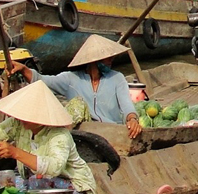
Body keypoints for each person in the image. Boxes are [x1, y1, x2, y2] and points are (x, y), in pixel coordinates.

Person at [10, 35, 142, 138]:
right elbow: (42, 80)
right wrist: (23, 70)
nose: (111, 61)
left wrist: (132, 119)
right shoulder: (71, 79)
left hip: (112, 131)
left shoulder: (117, 78)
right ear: (94, 61)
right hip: (84, 133)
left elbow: (127, 106)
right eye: (107, 58)